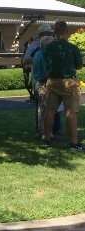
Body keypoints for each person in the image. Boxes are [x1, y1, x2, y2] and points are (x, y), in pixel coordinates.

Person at [41, 21, 84, 151]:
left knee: (50, 110)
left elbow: (46, 62)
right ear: (66, 32)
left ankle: (46, 139)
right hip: (69, 82)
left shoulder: (47, 48)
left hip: (52, 81)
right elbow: (79, 65)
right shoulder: (72, 48)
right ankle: (73, 142)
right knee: (71, 112)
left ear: (54, 32)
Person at [31, 35, 63, 140]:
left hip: (38, 83)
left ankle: (42, 132)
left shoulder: (37, 54)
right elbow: (47, 71)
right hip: (44, 84)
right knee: (46, 109)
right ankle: (47, 133)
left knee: (41, 109)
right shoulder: (44, 55)